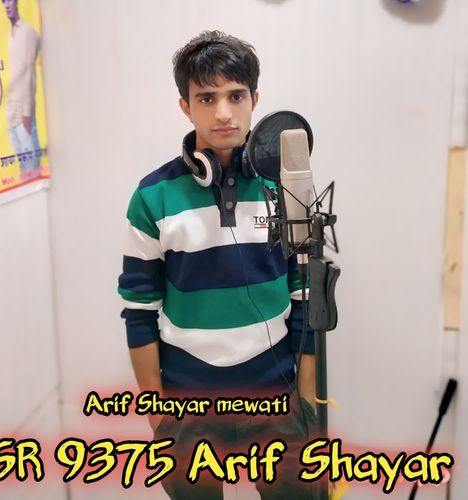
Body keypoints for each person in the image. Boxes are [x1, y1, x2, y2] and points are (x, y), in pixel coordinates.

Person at [118, 31, 317, 499]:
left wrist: (307, 403)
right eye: (207, 98)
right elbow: (139, 311)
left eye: (236, 96)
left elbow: (305, 298)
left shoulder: (286, 189)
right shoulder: (152, 196)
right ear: (185, 106)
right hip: (187, 405)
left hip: (277, 397)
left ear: (255, 100)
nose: (224, 112)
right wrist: (159, 418)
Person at [1, 0, 41, 175]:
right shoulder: (11, 32)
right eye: (3, 1)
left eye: (9, 0)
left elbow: (29, 73)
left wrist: (27, 113)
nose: (6, 5)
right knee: (23, 170)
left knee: (32, 170)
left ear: (16, 2)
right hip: (11, 110)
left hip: (23, 113)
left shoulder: (27, 31)